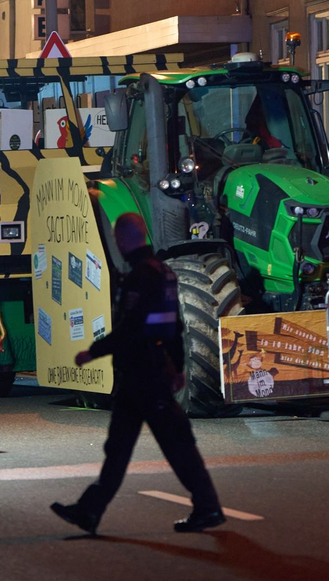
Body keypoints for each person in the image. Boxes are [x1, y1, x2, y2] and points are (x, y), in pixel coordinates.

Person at [51, 212, 225, 535]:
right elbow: (173, 328)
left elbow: (132, 329)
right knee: (120, 448)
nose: (117, 241)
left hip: (143, 375)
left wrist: (94, 351)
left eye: (119, 236)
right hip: (149, 372)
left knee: (174, 445)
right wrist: (178, 367)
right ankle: (89, 511)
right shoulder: (164, 273)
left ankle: (208, 507)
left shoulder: (140, 277)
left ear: (125, 239)